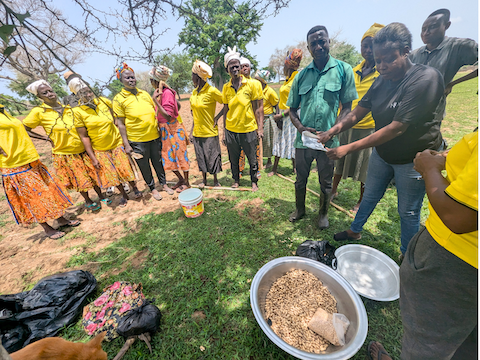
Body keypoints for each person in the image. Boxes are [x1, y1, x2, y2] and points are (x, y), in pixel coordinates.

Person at [317, 23, 445, 255]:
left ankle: (407, 255)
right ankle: (355, 230)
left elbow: (396, 128)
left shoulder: (425, 79)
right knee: (371, 195)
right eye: (377, 60)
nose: (381, 66)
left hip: (414, 159)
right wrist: (333, 131)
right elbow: (357, 112)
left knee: (407, 210)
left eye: (388, 59)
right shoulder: (381, 81)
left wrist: (347, 148)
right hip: (383, 154)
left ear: (406, 51)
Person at [368, 131, 477, 360]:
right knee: (466, 345)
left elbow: (458, 216)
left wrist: (429, 169)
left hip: (456, 263)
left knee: (427, 347)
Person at [288, 25, 357, 229]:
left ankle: (323, 214)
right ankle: (300, 209)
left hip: (329, 141)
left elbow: (347, 107)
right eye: (313, 44)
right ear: (309, 48)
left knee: (325, 182)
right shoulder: (301, 76)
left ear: (328, 42)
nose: (318, 46)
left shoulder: (343, 70)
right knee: (300, 180)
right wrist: (302, 129)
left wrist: (331, 132)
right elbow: (292, 110)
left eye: (322, 41)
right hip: (304, 141)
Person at [23, 80, 108, 212]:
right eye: (45, 93)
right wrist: (45, 138)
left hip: (82, 149)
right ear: (39, 97)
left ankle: (101, 195)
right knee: (79, 178)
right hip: (65, 152)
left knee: (92, 174)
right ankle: (88, 200)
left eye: (50, 91)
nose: (50, 94)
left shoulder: (68, 108)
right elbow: (25, 128)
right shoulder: (39, 112)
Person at [0, 105, 78, 239]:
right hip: (14, 164)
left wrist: (44, 138)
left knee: (50, 190)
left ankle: (61, 219)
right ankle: (47, 228)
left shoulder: (3, 110)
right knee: (34, 197)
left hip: (30, 159)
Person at [330, 23, 384, 212]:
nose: (368, 50)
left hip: (369, 126)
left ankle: (362, 199)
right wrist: (338, 121)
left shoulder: (383, 73)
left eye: (372, 46)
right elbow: (342, 98)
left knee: (365, 168)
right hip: (347, 124)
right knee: (339, 161)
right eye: (365, 46)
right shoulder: (352, 72)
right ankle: (333, 190)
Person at [70, 77, 140, 207]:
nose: (88, 94)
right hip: (100, 148)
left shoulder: (104, 102)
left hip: (117, 143)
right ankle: (123, 195)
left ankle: (134, 188)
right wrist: (92, 157)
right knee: (112, 174)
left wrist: (122, 138)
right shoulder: (78, 112)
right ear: (77, 95)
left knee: (125, 169)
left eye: (89, 91)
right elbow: (84, 137)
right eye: (83, 93)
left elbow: (117, 117)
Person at [410, 8, 478, 138]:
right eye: (423, 29)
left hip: (432, 113)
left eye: (432, 27)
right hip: (410, 110)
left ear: (446, 26)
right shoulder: (416, 54)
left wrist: (452, 83)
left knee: (427, 146)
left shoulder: (458, 47)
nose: (426, 32)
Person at [113, 62, 173, 201]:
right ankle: (152, 188)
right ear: (121, 80)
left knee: (158, 162)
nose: (131, 80)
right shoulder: (118, 99)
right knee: (144, 166)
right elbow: (120, 124)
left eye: (132, 77)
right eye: (127, 78)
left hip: (154, 136)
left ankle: (164, 184)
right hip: (137, 140)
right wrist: (126, 144)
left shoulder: (144, 94)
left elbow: (154, 111)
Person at [222, 46, 263, 192]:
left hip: (248, 128)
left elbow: (257, 108)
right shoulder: (226, 88)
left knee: (252, 157)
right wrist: (224, 132)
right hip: (231, 129)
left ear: (240, 68)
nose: (234, 69)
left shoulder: (251, 84)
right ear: (227, 69)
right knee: (234, 158)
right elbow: (226, 110)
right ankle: (236, 180)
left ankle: (253, 181)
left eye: (237, 66)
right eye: (231, 67)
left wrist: (260, 128)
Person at [150, 65, 191, 192]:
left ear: (154, 81)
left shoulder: (166, 93)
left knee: (180, 155)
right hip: (165, 130)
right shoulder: (166, 92)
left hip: (172, 128)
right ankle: (181, 180)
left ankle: (187, 182)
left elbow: (167, 116)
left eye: (151, 80)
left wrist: (155, 101)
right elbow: (177, 106)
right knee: (169, 157)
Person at [269, 49, 303, 177]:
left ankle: (295, 168)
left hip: (291, 114)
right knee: (279, 139)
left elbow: (297, 102)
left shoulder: (297, 78)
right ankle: (274, 168)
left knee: (292, 140)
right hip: (282, 114)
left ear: (287, 64)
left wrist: (282, 115)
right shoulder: (287, 80)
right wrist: (279, 115)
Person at [189, 60, 223, 187]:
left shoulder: (212, 91)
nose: (191, 78)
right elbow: (194, 114)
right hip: (197, 132)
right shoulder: (193, 93)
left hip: (209, 131)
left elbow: (226, 104)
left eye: (192, 75)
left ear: (198, 77)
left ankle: (215, 180)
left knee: (212, 155)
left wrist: (217, 118)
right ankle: (204, 180)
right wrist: (191, 131)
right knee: (201, 156)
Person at [238, 56, 264, 176]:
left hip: (252, 124)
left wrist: (260, 127)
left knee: (254, 148)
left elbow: (260, 107)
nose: (244, 68)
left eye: (246, 66)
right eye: (241, 66)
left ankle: (256, 170)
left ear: (250, 68)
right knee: (241, 149)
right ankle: (240, 170)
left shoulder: (255, 84)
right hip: (239, 124)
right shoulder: (236, 85)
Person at [254, 69, 279, 169]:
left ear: (262, 81)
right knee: (256, 140)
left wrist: (277, 118)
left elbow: (276, 104)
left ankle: (268, 161)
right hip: (256, 118)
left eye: (257, 80)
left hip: (267, 118)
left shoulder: (270, 92)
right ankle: (257, 159)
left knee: (267, 140)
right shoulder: (255, 89)